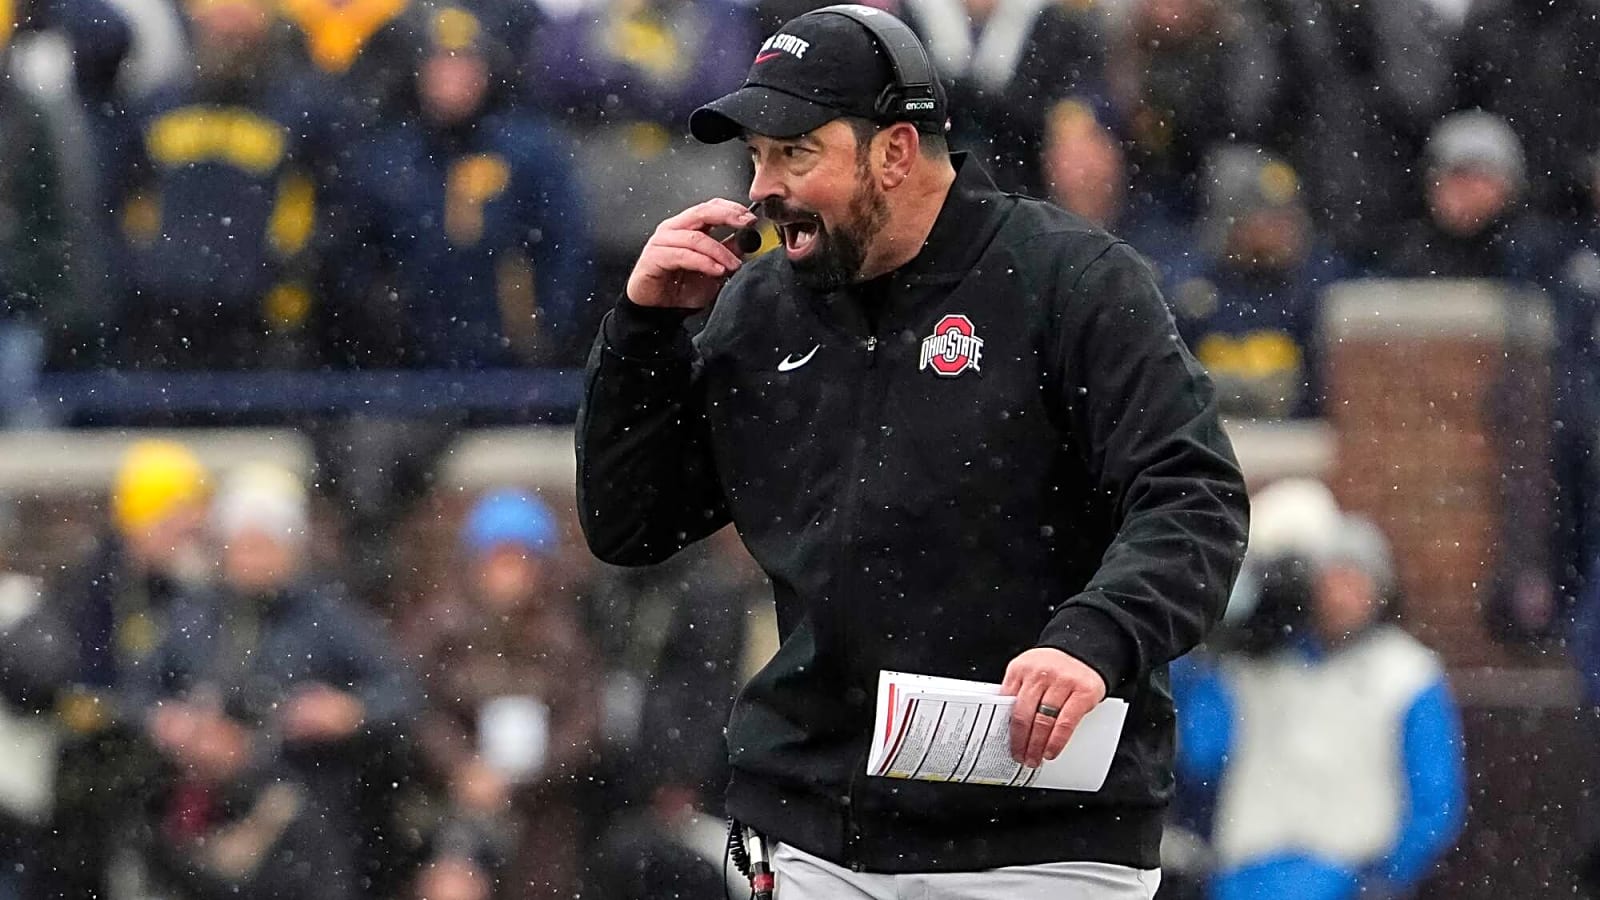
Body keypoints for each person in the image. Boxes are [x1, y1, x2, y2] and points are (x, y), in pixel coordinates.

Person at [575, 6, 1250, 897]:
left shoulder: (1069, 281)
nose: (763, 189)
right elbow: (631, 524)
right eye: (757, 157)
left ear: (895, 151)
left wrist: (1096, 639)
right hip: (818, 830)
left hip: (1041, 832)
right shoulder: (757, 307)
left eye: (796, 153)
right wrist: (642, 334)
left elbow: (1193, 493)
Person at [1175, 499, 1466, 900]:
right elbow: (1199, 758)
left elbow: (1435, 798)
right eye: (1332, 578)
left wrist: (1388, 877)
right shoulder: (1254, 668)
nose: (1342, 594)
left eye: (1356, 579)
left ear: (1380, 589)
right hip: (1245, 875)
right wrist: (1221, 647)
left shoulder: (1408, 676)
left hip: (1347, 878)